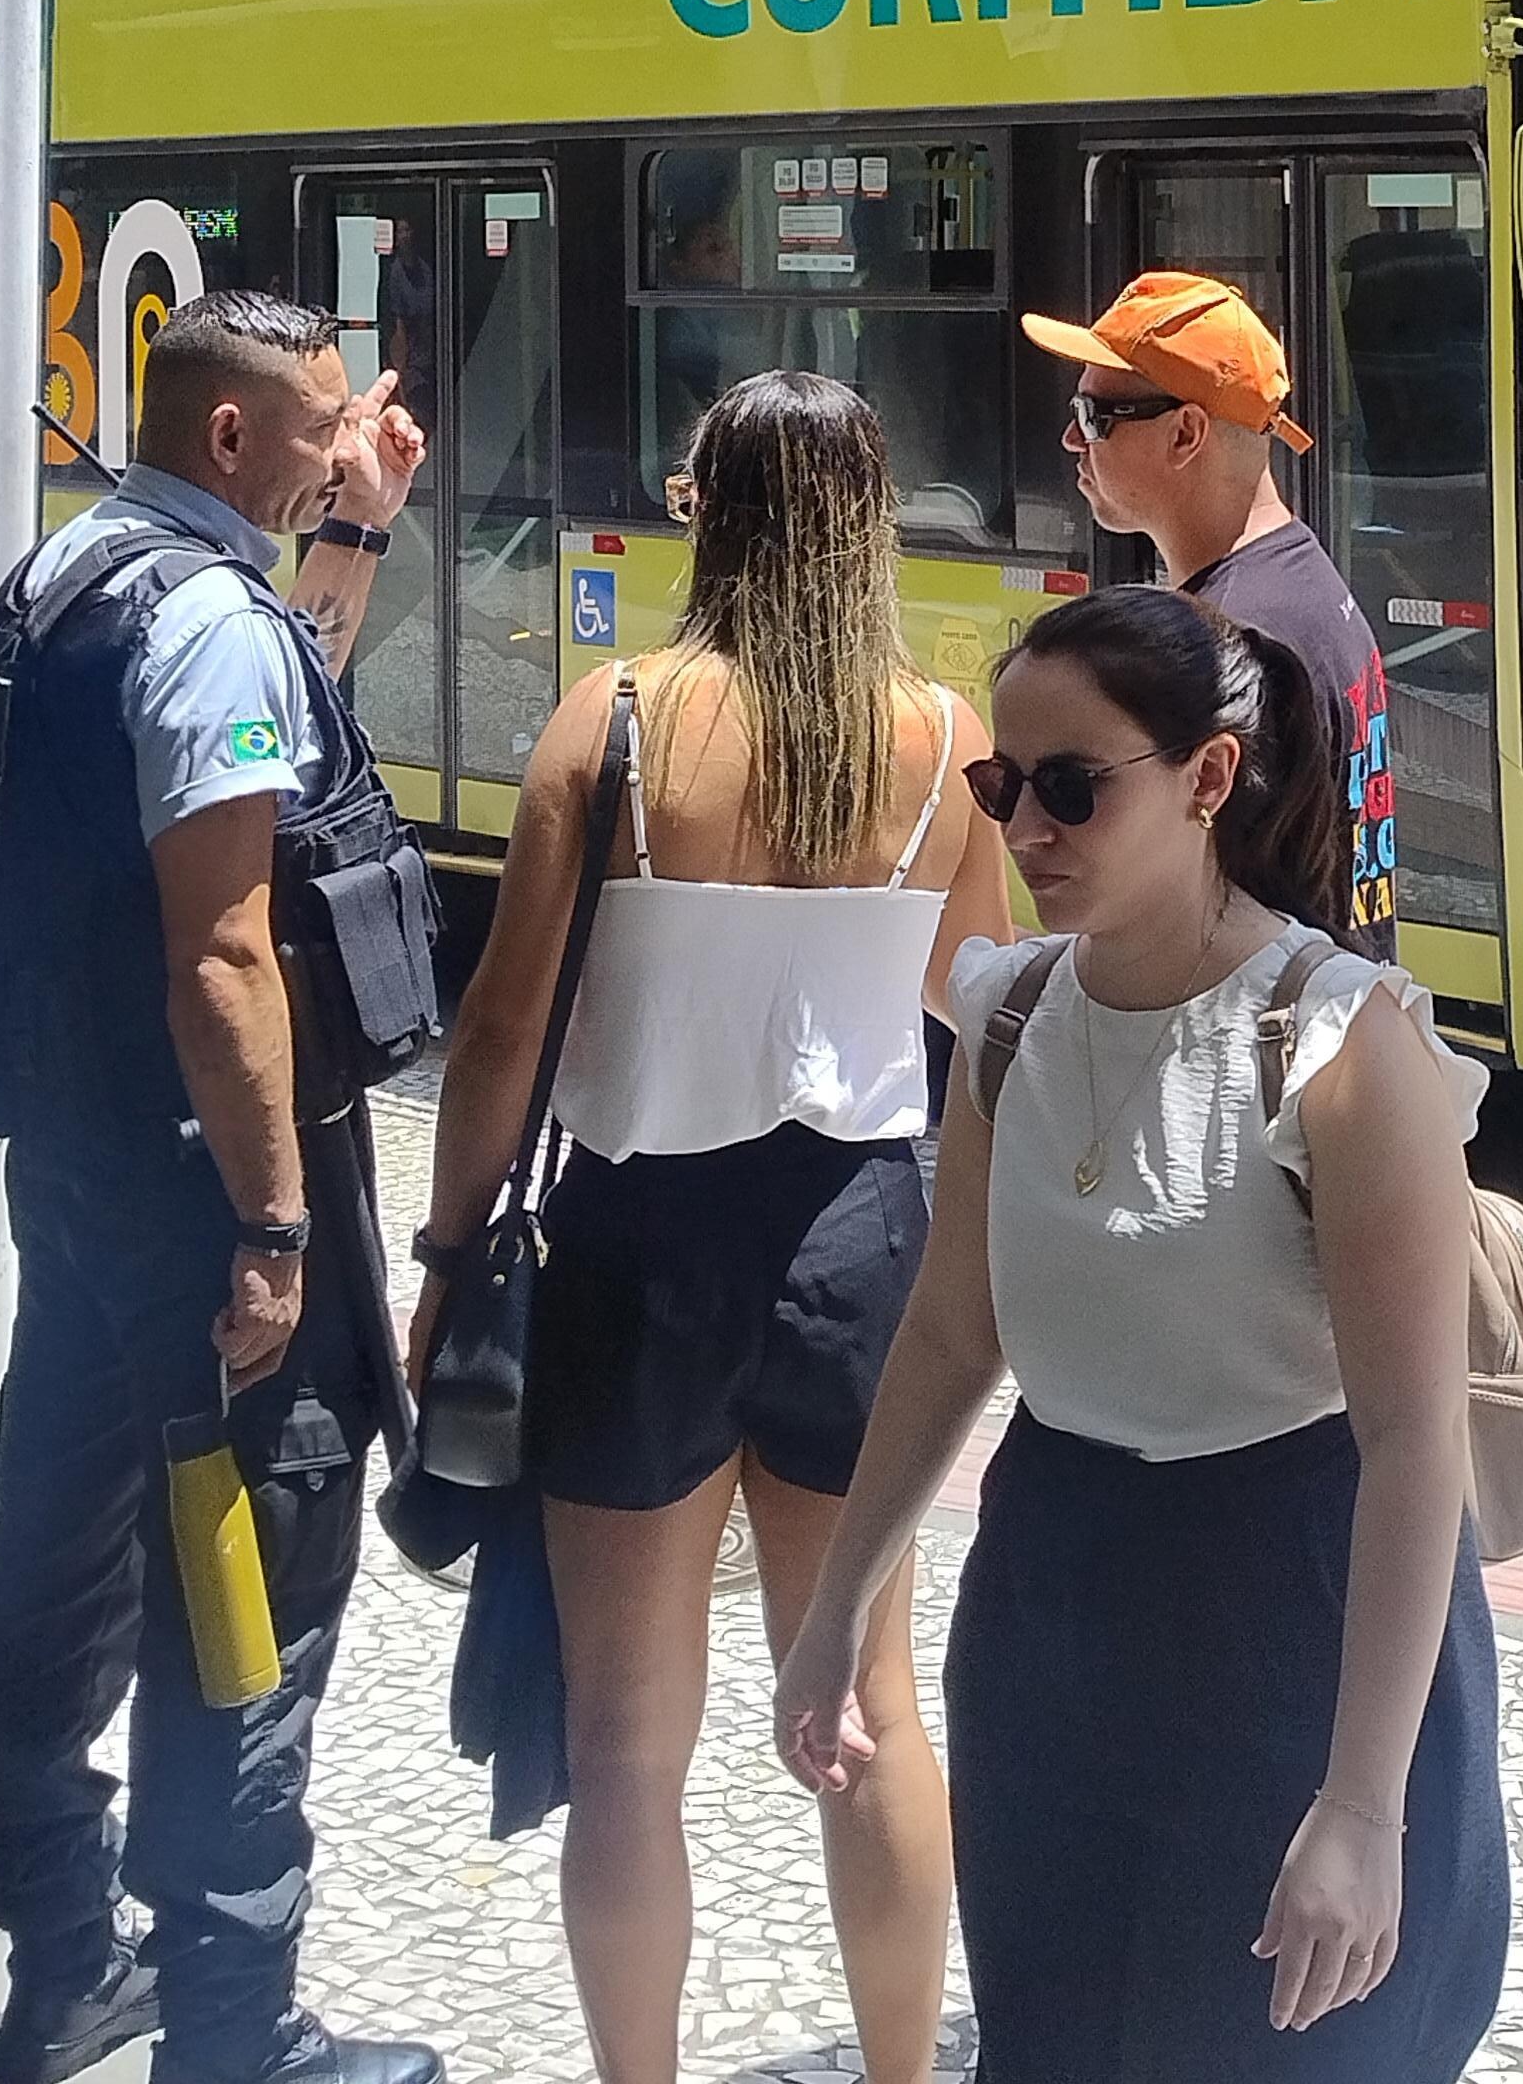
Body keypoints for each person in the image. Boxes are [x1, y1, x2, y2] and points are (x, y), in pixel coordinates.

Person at [771, 583, 1509, 2083]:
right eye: (1004, 786)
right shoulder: (1011, 1017)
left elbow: (1414, 1439)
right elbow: (946, 1336)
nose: (1026, 829)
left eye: (1071, 788)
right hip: (1059, 1598)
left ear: (1207, 780)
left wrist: (1364, 1806)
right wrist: (837, 1610)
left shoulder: (1340, 1041)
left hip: (1295, 1602)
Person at [409, 372, 1012, 2084]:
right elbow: (966, 1012)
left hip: (640, 1237)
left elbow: (507, 1032)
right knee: (871, 1715)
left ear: (705, 510)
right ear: (871, 520)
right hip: (859, 1234)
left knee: (623, 1745)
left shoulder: (611, 719)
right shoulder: (940, 740)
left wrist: (450, 1260)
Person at [0, 294, 439, 2084]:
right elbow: (227, 943)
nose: (340, 446)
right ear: (230, 441)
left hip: (79, 1181)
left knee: (54, 1557)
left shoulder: (71, 576)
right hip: (205, 1207)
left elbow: (264, 725)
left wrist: (361, 526)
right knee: (250, 1604)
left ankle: (65, 1960)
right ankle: (236, 2037)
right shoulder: (203, 621)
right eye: (319, 427)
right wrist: (278, 1230)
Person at [1025, 272, 1398, 956]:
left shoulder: (1232, 636)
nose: (1071, 442)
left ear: (1185, 433)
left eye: (1091, 418)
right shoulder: (1298, 583)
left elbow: (1203, 908)